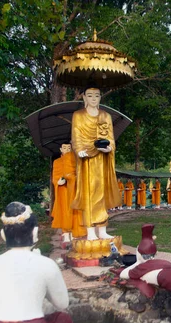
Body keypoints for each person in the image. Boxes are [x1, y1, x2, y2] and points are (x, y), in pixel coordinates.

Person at [71, 87, 122, 241]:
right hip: (86, 159)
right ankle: (90, 230)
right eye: (90, 95)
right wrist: (79, 149)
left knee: (101, 194)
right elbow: (76, 135)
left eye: (97, 96)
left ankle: (102, 229)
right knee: (88, 194)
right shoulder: (78, 115)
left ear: (100, 98)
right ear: (84, 97)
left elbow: (111, 138)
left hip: (101, 160)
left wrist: (109, 148)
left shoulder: (105, 116)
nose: (94, 98)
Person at [51, 143, 85, 242]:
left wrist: (71, 178)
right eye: (65, 148)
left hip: (73, 188)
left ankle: (75, 232)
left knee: (74, 210)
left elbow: (78, 173)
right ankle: (65, 233)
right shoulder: (57, 162)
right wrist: (58, 181)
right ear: (61, 149)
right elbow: (55, 176)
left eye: (69, 148)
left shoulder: (74, 160)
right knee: (64, 210)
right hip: (63, 190)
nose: (67, 149)